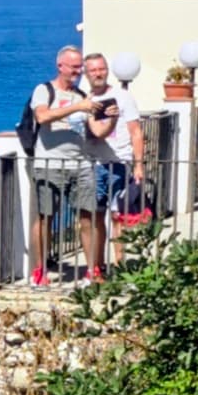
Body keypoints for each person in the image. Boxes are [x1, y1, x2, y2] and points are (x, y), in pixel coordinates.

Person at [28, 45, 116, 285]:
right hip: (50, 163)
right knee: (46, 217)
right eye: (75, 67)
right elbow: (42, 117)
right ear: (60, 66)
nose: (79, 71)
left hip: (81, 165)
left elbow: (97, 132)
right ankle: (40, 270)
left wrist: (112, 118)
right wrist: (77, 107)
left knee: (88, 217)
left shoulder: (82, 96)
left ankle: (92, 270)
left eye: (80, 67)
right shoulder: (44, 90)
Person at [84, 53, 147, 265]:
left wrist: (138, 165)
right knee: (95, 217)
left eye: (101, 69)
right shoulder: (85, 101)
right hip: (94, 164)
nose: (98, 74)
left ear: (107, 70)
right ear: (86, 74)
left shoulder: (123, 97)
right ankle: (99, 266)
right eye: (93, 70)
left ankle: (120, 263)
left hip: (119, 163)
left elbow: (136, 132)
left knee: (117, 217)